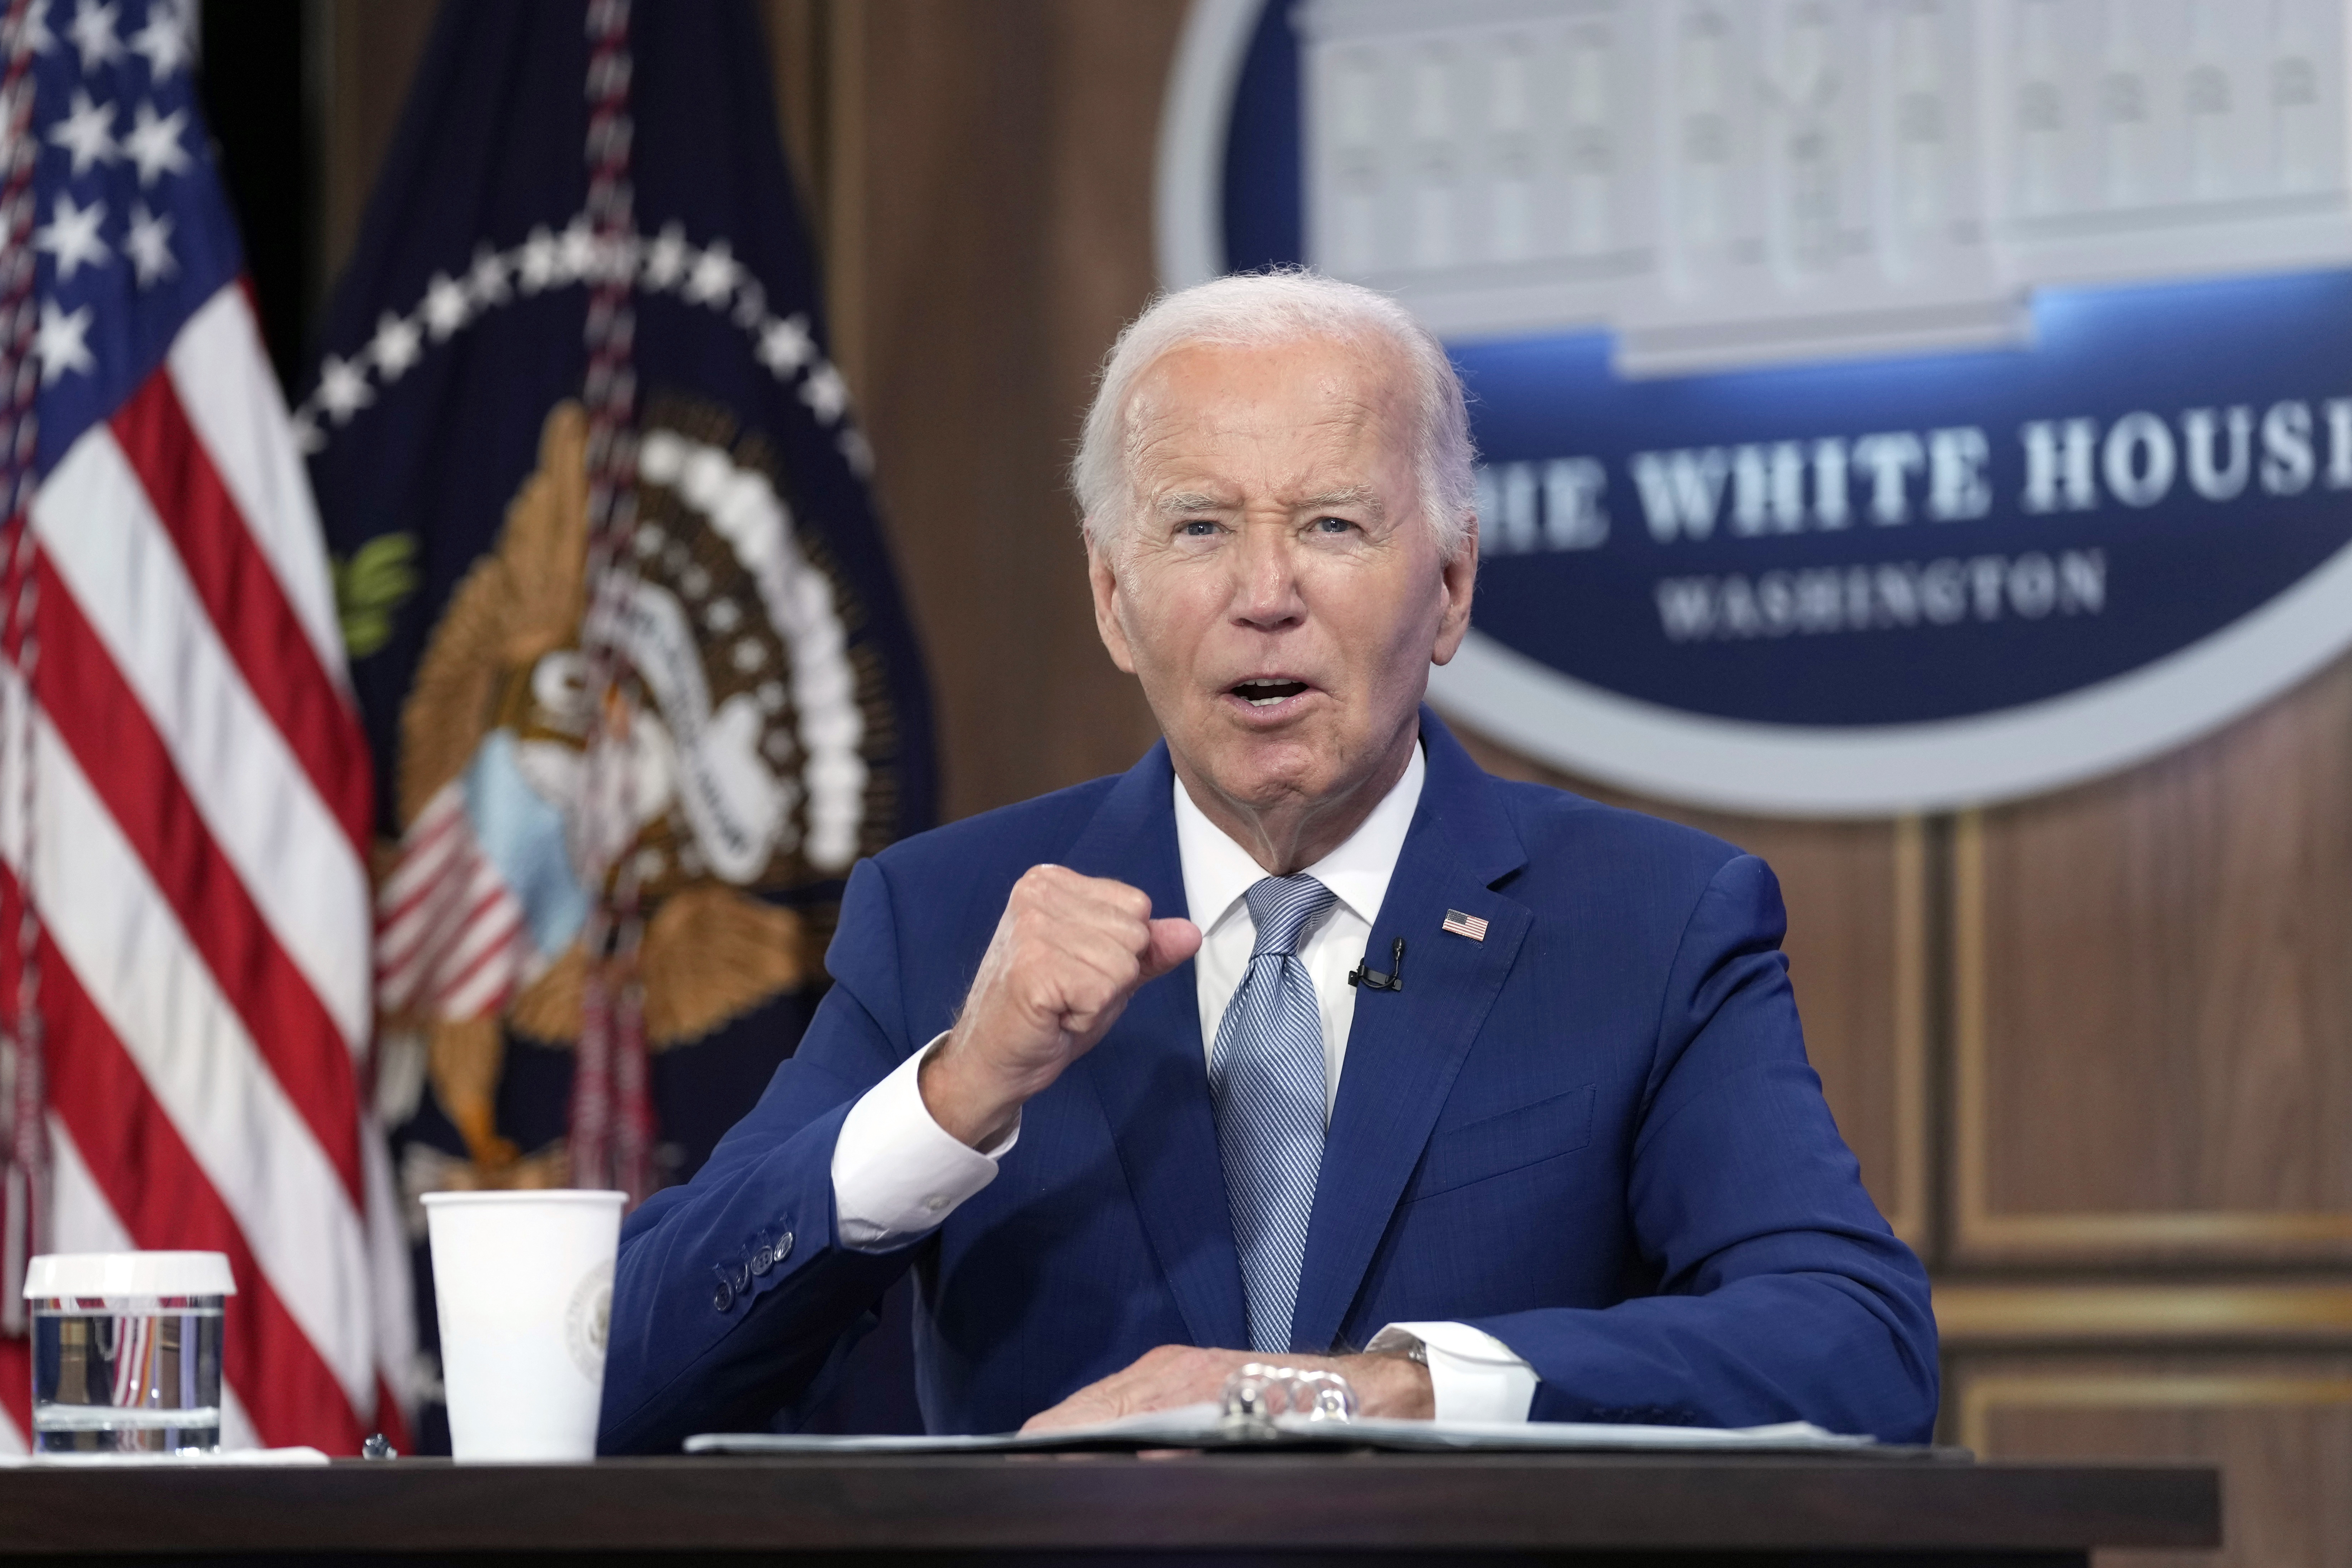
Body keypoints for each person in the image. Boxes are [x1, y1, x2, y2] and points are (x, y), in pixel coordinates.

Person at [598, 272, 1938, 1451]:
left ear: (1454, 585)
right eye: (1198, 528)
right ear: (1113, 600)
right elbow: (628, 1384)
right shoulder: (946, 920)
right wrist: (955, 1091)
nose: (1264, 593)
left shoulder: (1650, 924)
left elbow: (1855, 1346)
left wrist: (1381, 1390)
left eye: (1334, 525)